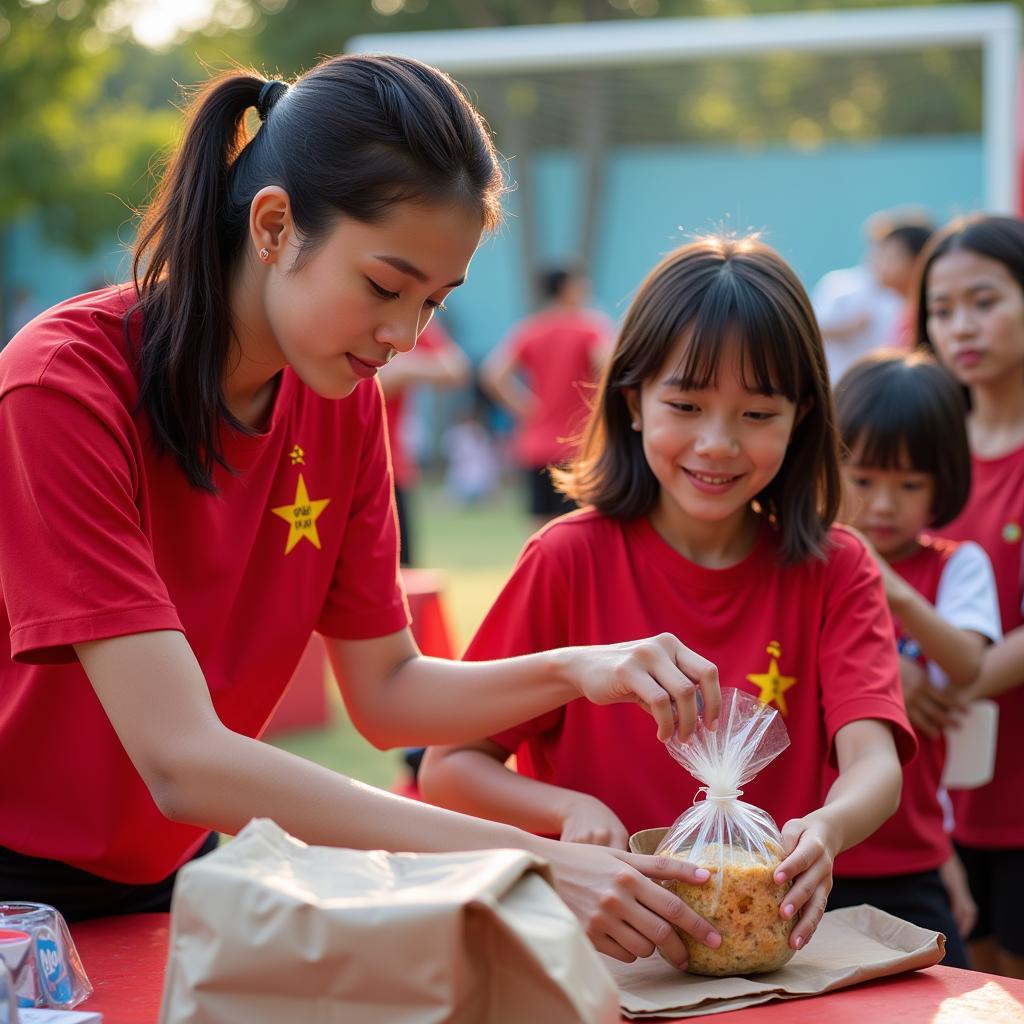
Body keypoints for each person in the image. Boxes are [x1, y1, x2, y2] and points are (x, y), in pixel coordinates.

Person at [0, 55, 732, 968]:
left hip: (170, 873)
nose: (406, 336)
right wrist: (529, 861)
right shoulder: (61, 385)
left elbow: (388, 693)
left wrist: (584, 669)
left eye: (434, 301)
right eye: (386, 287)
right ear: (274, 225)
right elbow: (181, 760)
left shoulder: (340, 403)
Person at [421, 234, 915, 957]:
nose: (717, 444)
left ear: (801, 418)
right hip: (599, 955)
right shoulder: (567, 559)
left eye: (757, 414)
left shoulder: (837, 568)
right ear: (632, 403)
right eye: (685, 404)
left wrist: (829, 828)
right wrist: (567, 809)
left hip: (758, 949)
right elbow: (450, 764)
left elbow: (874, 761)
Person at [826, 350, 1001, 968]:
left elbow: (967, 667)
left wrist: (888, 586)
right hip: (812, 848)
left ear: (943, 482)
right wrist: (892, 666)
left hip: (915, 848)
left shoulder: (957, 564)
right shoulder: (809, 560)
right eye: (865, 478)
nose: (882, 504)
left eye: (910, 485)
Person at [917, 214, 1024, 979]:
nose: (962, 326)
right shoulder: (918, 446)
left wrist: (939, 683)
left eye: (984, 301)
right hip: (935, 780)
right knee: (967, 978)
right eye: (943, 309)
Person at [481, 265, 612, 527]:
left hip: (536, 445)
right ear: (567, 288)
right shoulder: (590, 327)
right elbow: (609, 366)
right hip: (579, 444)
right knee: (582, 528)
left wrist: (525, 407)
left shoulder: (531, 329)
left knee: (539, 528)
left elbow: (492, 373)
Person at [379, 317, 469, 566]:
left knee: (397, 572)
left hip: (388, 467)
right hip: (322, 469)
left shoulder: (401, 314)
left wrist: (403, 368)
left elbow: (455, 366)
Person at [812, 210, 928, 383]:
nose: (878, 261)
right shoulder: (846, 286)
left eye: (891, 255)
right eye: (879, 252)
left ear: (917, 261)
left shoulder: (918, 311)